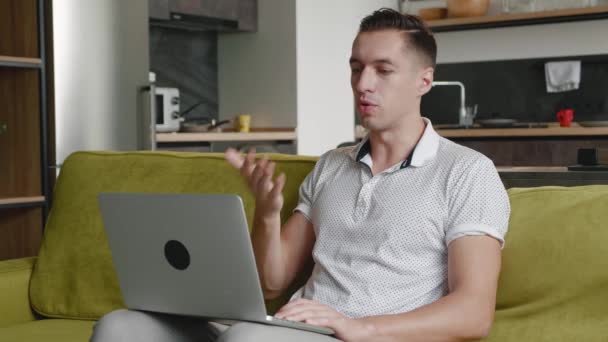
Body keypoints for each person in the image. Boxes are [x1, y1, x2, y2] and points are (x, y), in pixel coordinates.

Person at [91, 8, 510, 342]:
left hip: (364, 335)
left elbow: (474, 313)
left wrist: (361, 328)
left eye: (383, 70)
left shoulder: (467, 173)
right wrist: (268, 212)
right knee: (121, 328)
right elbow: (272, 282)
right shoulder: (331, 165)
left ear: (424, 81)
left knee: (248, 340)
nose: (363, 83)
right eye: (356, 67)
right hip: (293, 327)